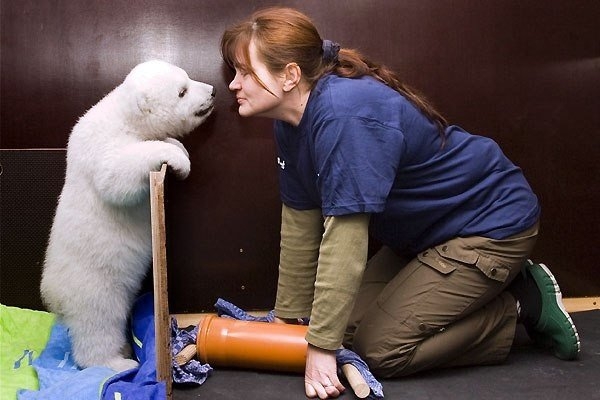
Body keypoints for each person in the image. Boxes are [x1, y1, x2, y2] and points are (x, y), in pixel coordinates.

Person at [220, 7, 581, 399]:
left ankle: (521, 305)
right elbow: (299, 224)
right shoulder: (289, 119)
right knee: (346, 331)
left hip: (488, 226)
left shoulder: (344, 115)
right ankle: (484, 292)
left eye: (245, 72)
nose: (235, 84)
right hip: (426, 237)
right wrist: (288, 322)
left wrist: (321, 347)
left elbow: (345, 239)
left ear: (289, 75)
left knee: (381, 350)